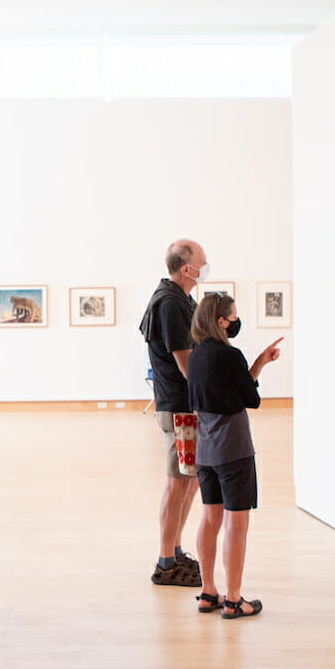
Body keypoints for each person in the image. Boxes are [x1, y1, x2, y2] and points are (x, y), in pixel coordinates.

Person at [186, 292, 282, 619]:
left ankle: (208, 592)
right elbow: (249, 399)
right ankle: (234, 599)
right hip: (234, 450)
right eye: (233, 316)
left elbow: (230, 390)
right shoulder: (230, 356)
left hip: (206, 450)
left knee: (210, 519)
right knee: (236, 525)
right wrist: (253, 365)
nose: (235, 321)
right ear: (220, 321)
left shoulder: (196, 355)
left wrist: (259, 362)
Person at [136, 239, 208, 587]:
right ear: (186, 269)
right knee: (177, 484)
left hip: (186, 407)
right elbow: (186, 363)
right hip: (180, 408)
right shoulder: (169, 303)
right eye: (202, 263)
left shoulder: (180, 300)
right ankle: (166, 561)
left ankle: (175, 551)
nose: (205, 267)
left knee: (189, 481)